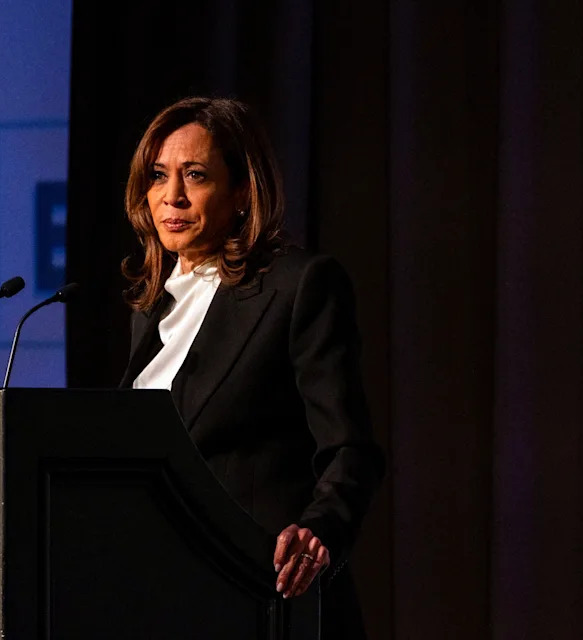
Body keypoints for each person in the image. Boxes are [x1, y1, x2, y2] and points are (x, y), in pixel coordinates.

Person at [119, 96, 385, 639]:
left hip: (266, 594)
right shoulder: (152, 307)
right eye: (158, 176)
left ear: (242, 191)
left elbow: (351, 450)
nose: (171, 197)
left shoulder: (299, 286)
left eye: (195, 175)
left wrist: (319, 533)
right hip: (168, 595)